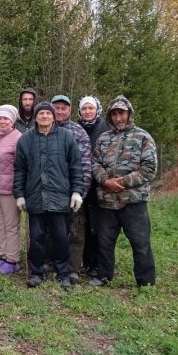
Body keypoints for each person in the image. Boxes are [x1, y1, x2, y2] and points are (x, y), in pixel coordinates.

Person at [14, 101, 84, 290]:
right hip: (35, 197)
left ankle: (63, 273)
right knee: (36, 237)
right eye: (41, 113)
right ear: (35, 117)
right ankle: (36, 272)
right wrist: (19, 194)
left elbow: (76, 167)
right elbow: (20, 170)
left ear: (54, 117)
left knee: (61, 237)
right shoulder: (25, 139)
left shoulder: (66, 137)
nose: (44, 116)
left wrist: (77, 191)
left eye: (48, 113)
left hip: (60, 197)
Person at [90, 96, 157, 287]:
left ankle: (146, 282)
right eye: (114, 114)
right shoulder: (103, 139)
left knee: (140, 243)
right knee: (105, 241)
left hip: (133, 201)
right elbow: (95, 164)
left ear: (129, 114)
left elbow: (149, 168)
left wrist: (124, 182)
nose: (118, 117)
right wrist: (105, 181)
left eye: (122, 113)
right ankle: (104, 276)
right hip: (107, 200)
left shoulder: (143, 137)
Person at [51, 94, 92, 284]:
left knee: (75, 231)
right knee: (51, 230)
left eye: (63, 108)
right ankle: (51, 262)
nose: (59, 111)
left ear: (69, 111)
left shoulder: (78, 132)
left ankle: (73, 268)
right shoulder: (42, 129)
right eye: (56, 108)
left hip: (72, 191)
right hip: (50, 192)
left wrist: (80, 192)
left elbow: (85, 165)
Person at [0, 105, 23, 275]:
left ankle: (12, 259)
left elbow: (23, 165)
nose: (2, 121)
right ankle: (3, 256)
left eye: (6, 118)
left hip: (9, 190)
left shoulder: (18, 138)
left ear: (12, 121)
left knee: (11, 225)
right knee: (0, 225)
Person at [78, 96, 109, 277]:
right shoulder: (76, 128)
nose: (88, 112)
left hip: (100, 185)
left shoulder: (105, 129)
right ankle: (86, 262)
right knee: (84, 226)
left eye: (91, 108)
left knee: (99, 227)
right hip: (82, 185)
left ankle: (98, 264)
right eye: (84, 109)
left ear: (97, 109)